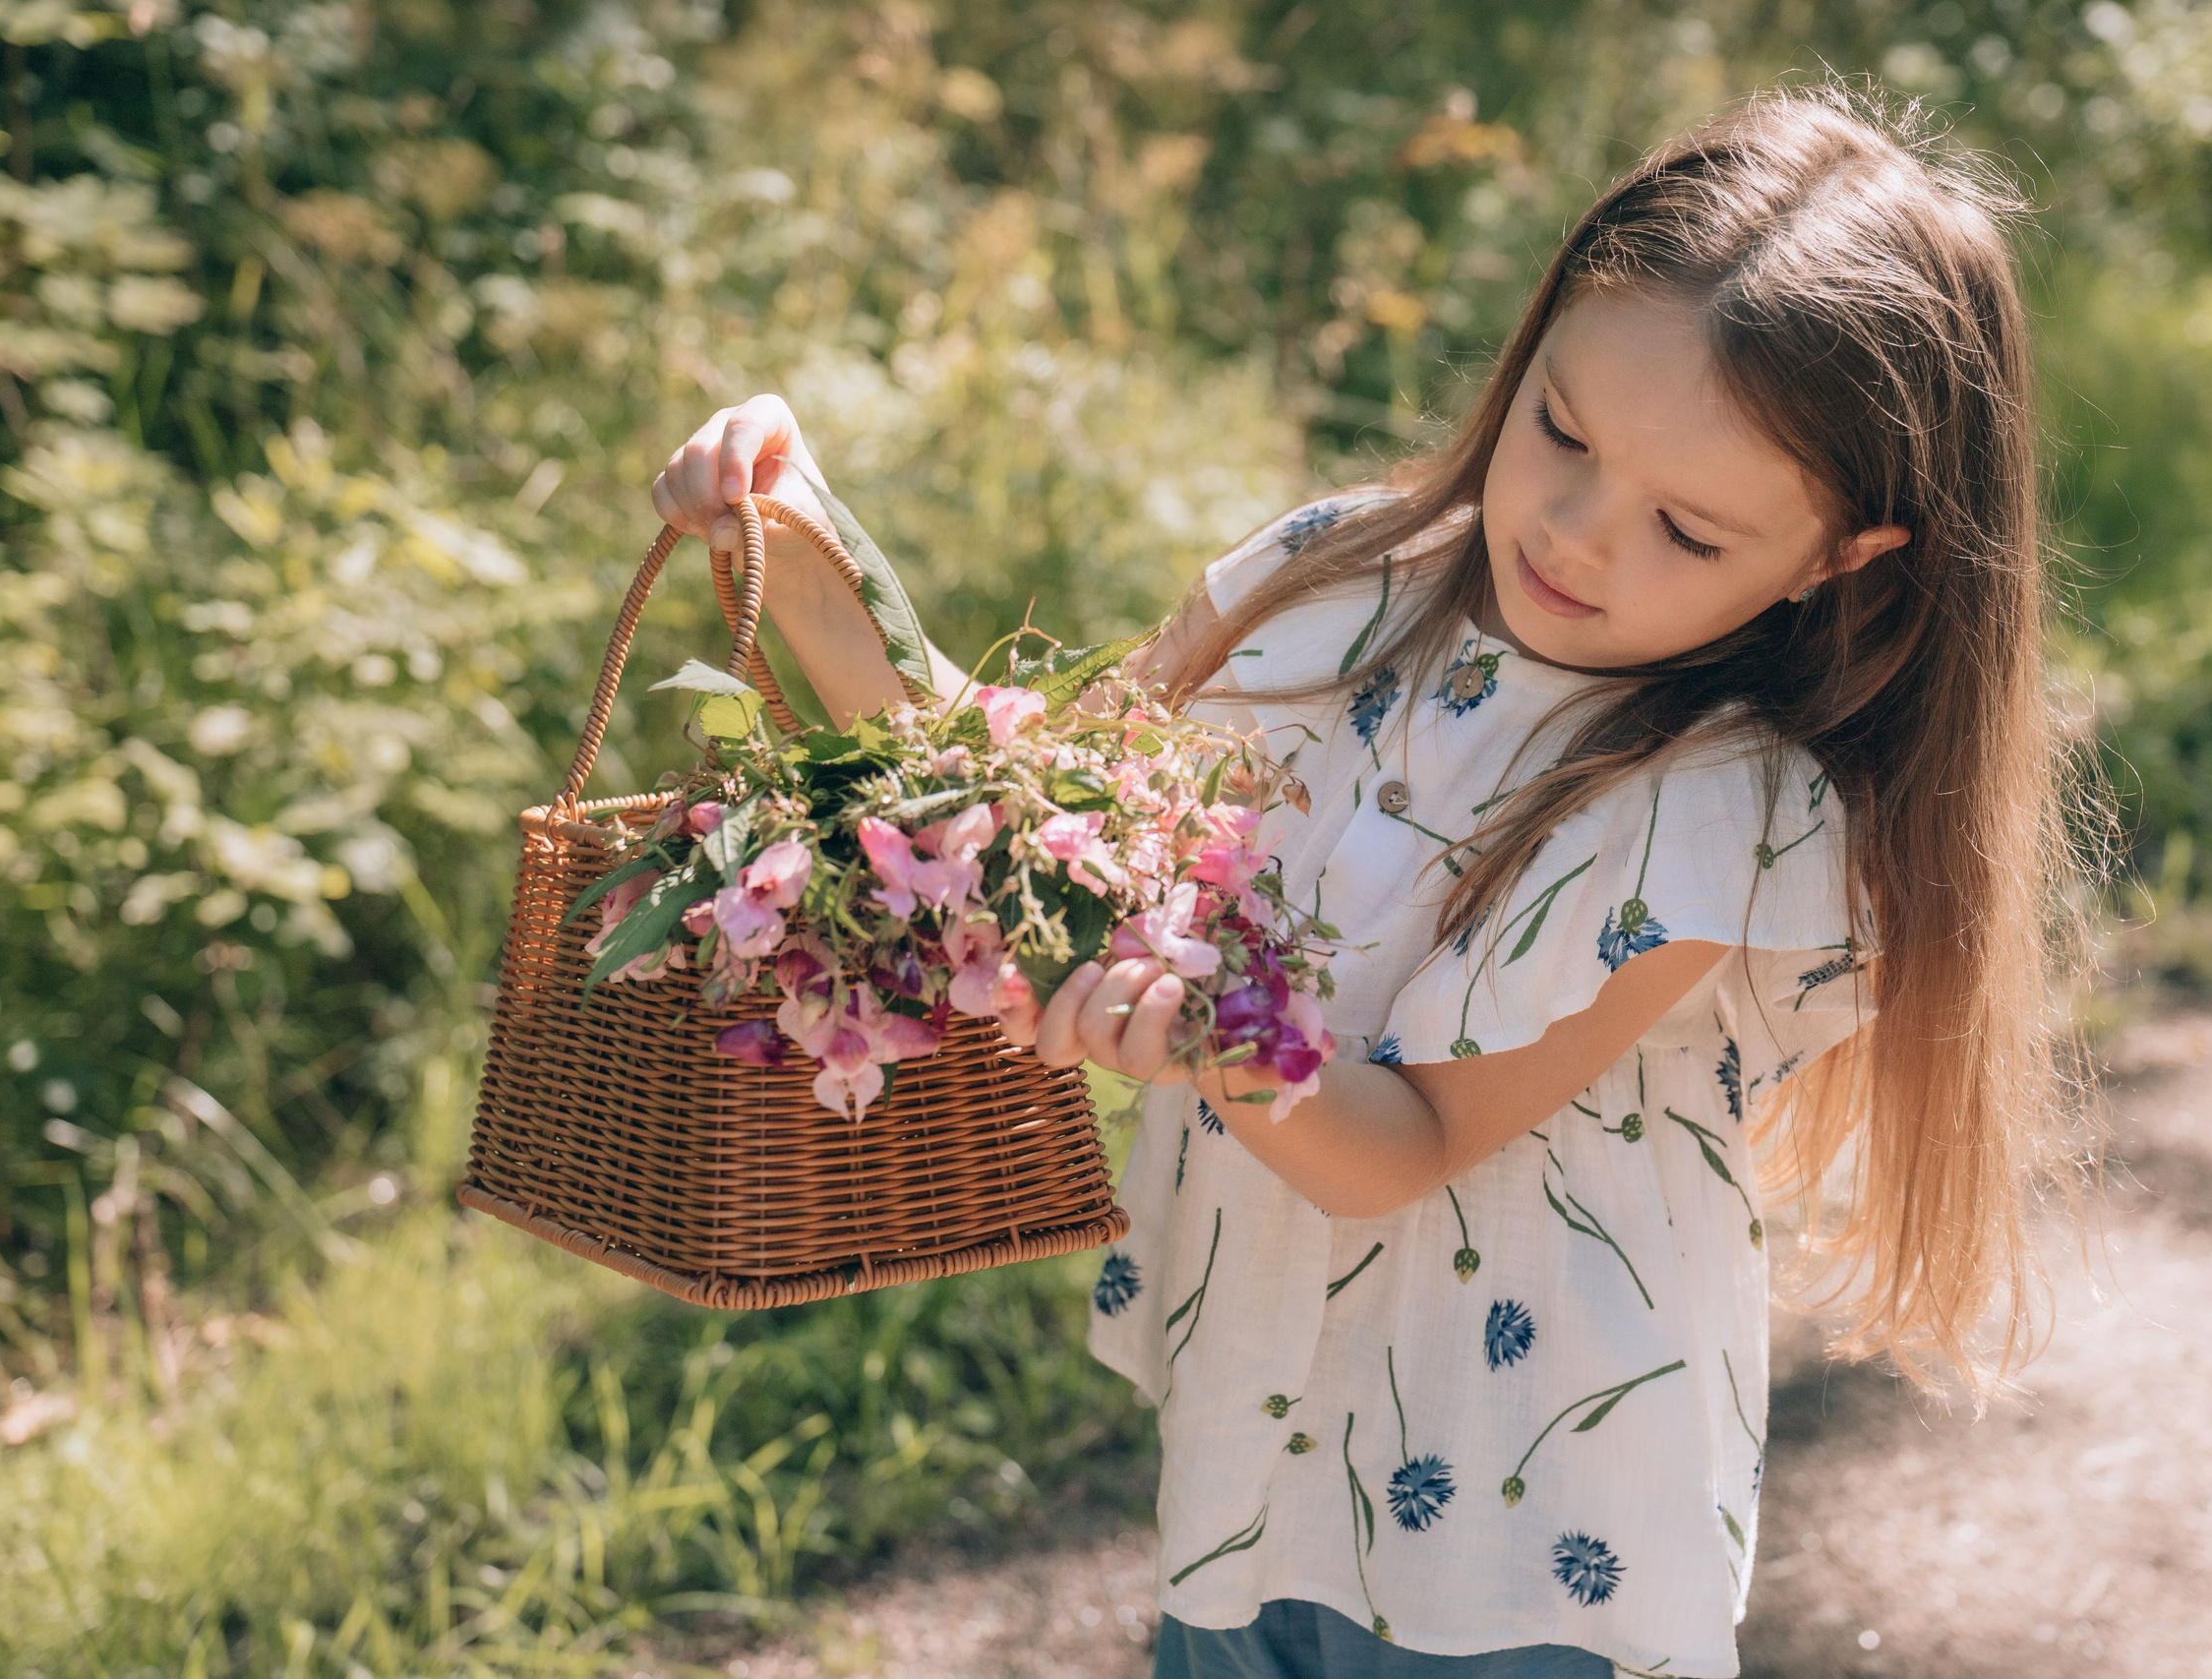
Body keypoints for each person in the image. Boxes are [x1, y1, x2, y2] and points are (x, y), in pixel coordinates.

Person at [652, 84, 2080, 1679]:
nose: (1578, 535)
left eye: (1686, 530)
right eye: (1562, 432)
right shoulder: (1325, 579)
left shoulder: (1716, 806)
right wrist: (802, 545)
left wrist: (1214, 1038)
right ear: (1535, 342)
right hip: (1257, 1438)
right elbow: (1010, 817)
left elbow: (1400, 1145)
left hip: (1533, 1541)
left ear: (1838, 557)